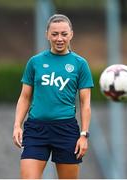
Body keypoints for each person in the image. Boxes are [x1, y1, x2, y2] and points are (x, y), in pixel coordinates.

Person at [13, 14, 94, 179]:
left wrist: (84, 135)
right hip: (36, 130)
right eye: (54, 34)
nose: (59, 38)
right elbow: (25, 97)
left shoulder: (80, 64)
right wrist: (17, 125)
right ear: (47, 35)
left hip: (66, 130)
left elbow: (85, 103)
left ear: (71, 34)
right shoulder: (35, 62)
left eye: (64, 34)